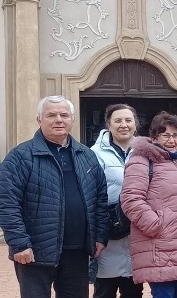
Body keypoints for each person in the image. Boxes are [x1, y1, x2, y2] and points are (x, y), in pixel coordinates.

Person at [0, 95, 108, 298]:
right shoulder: (20, 156)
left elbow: (100, 199)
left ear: (72, 120)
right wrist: (19, 243)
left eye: (64, 115)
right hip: (34, 253)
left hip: (77, 250)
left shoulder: (86, 155)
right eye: (51, 115)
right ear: (39, 120)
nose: (59, 119)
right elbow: (6, 202)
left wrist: (100, 236)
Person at [120, 111, 177, 298]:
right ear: (154, 137)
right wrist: (156, 225)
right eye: (165, 135)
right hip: (159, 246)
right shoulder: (142, 159)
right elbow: (131, 198)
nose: (172, 140)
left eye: (175, 135)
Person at [90, 103, 144, 298]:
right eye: (118, 120)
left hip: (137, 230)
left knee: (134, 290)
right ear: (109, 125)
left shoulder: (146, 152)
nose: (124, 125)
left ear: (135, 125)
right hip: (108, 231)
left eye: (128, 120)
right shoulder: (93, 154)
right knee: (105, 289)